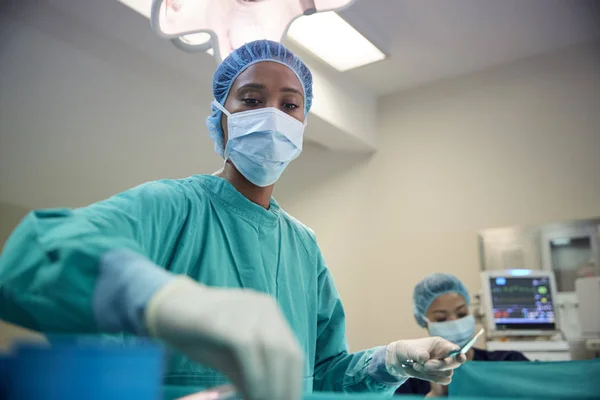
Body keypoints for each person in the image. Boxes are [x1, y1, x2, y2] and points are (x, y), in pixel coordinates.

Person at [0, 40, 465, 400]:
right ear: (222, 118)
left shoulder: (303, 246)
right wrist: (167, 301)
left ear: (303, 124)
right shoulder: (172, 206)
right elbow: (35, 255)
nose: (272, 115)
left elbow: (321, 376)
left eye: (289, 105)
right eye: (251, 99)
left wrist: (393, 360)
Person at [395, 273, 528, 397]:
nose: (455, 323)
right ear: (424, 322)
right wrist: (436, 396)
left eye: (462, 314)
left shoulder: (510, 362)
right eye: (441, 318)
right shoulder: (411, 378)